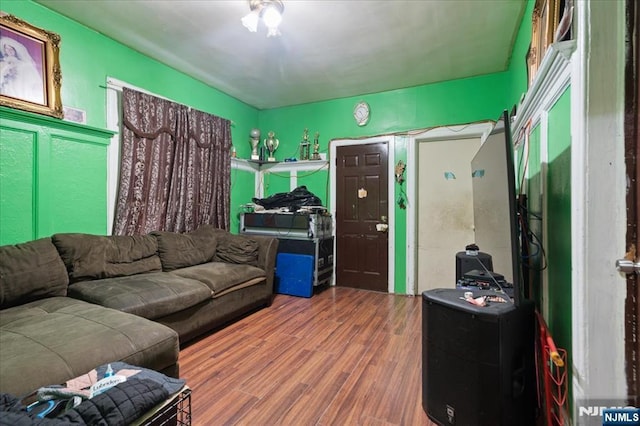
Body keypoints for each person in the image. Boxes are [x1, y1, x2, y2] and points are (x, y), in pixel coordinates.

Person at [0, 36, 44, 104]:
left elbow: (33, 80)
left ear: (15, 49)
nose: (9, 51)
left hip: (21, 92)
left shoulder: (24, 65)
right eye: (7, 48)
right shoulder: (3, 63)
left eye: (11, 48)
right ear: (5, 50)